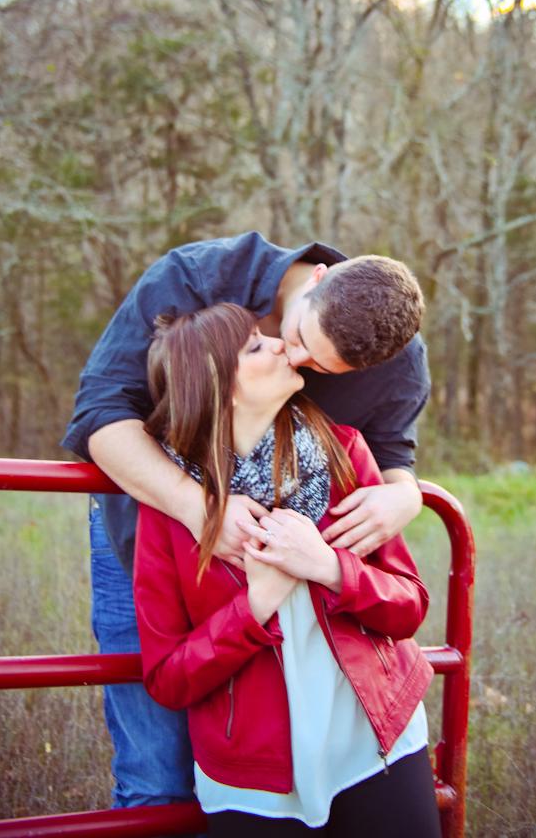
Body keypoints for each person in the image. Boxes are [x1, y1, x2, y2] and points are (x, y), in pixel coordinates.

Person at [62, 231, 431, 808]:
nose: (300, 364)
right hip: (155, 523)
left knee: (300, 752)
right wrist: (201, 508)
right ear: (317, 280)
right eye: (300, 340)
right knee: (157, 776)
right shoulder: (195, 277)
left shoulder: (393, 360)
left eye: (323, 369)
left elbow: (394, 455)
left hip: (303, 581)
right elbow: (101, 413)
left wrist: (405, 494)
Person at [134, 304, 441, 836]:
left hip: (378, 740)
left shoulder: (343, 452)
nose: (280, 344)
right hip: (253, 776)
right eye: (255, 346)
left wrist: (329, 567)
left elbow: (409, 605)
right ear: (216, 388)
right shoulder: (172, 510)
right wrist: (253, 607)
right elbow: (168, 678)